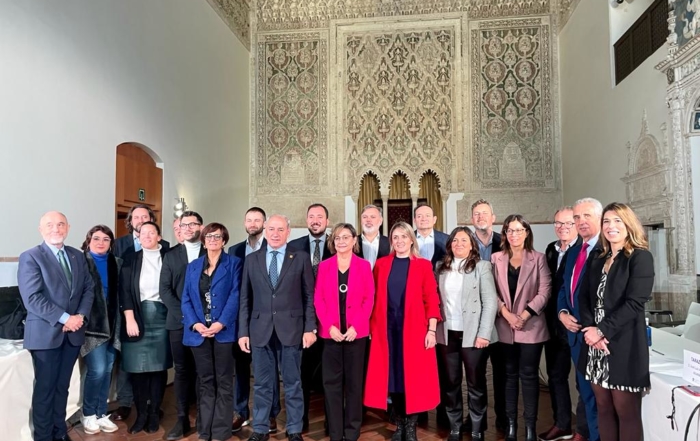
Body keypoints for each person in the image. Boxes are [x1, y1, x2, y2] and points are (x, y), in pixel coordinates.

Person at [238, 214, 317, 441]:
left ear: (288, 232)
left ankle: (294, 429)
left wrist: (310, 328)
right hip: (259, 331)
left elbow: (309, 296)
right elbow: (245, 299)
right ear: (265, 229)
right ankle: (260, 429)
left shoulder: (300, 258)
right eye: (271, 229)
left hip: (292, 330)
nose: (275, 233)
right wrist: (243, 331)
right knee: (262, 384)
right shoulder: (252, 260)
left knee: (293, 383)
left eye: (280, 229)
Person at [578, 203, 653, 441]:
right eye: (607, 221)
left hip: (623, 342)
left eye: (618, 221)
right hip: (595, 345)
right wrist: (591, 330)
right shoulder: (598, 257)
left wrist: (601, 331)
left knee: (626, 411)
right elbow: (584, 297)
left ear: (628, 224)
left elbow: (635, 302)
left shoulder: (640, 257)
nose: (611, 226)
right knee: (604, 407)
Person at [18, 211, 95, 441]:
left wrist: (80, 315)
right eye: (50, 225)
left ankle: (59, 433)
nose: (56, 229)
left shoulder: (77, 256)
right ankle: (43, 437)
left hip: (72, 334)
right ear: (41, 230)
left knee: (63, 387)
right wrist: (65, 318)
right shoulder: (31, 257)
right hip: (45, 334)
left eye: (61, 224)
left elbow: (88, 289)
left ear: (68, 228)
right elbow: (32, 298)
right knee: (45, 390)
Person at [364, 222, 441, 441]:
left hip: (415, 331)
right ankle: (399, 424)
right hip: (387, 331)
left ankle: (411, 426)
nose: (399, 241)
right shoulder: (381, 264)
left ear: (411, 239)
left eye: (403, 237)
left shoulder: (423, 265)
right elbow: (373, 298)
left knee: (413, 378)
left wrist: (432, 330)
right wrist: (370, 327)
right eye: (395, 237)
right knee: (394, 378)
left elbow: (432, 300)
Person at [491, 214, 551, 441]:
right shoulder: (495, 259)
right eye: (509, 230)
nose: (514, 234)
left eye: (518, 230)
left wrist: (525, 315)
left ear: (527, 232)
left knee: (528, 377)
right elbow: (491, 292)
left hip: (531, 326)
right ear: (505, 234)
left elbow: (545, 291)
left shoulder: (539, 258)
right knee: (508, 377)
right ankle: (510, 427)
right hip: (504, 327)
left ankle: (529, 428)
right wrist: (506, 314)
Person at [435, 227, 498, 441]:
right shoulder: (440, 268)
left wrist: (484, 334)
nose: (458, 244)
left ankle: (477, 428)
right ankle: (454, 427)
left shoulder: (482, 267)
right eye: (455, 240)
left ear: (472, 245)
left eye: (463, 240)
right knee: (451, 383)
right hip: (447, 333)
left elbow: (490, 303)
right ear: (450, 244)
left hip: (473, 334)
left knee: (475, 383)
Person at [182, 222, 243, 441]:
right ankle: (204, 429)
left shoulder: (234, 264)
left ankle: (221, 431)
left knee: (224, 380)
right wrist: (196, 324)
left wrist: (222, 322)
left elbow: (236, 295)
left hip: (223, 332)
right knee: (205, 380)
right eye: (209, 236)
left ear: (224, 240)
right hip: (198, 333)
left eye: (217, 237)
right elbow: (186, 298)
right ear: (203, 240)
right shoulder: (193, 266)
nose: (213, 240)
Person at [314, 223, 374, 441]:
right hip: (330, 335)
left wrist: (355, 327)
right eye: (337, 238)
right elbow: (318, 299)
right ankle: (335, 432)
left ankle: (352, 431)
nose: (341, 241)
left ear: (354, 240)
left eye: (346, 237)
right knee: (331, 384)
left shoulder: (364, 266)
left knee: (354, 384)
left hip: (355, 335)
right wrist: (329, 326)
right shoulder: (324, 266)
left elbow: (369, 300)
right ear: (333, 241)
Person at [112, 204, 169, 422]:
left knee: (158, 367)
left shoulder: (169, 255)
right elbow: (124, 291)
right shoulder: (129, 257)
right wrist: (129, 317)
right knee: (136, 368)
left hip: (162, 317)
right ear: (136, 233)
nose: (146, 235)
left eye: (151, 232)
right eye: (143, 232)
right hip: (136, 316)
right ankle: (140, 414)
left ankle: (154, 412)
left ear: (159, 236)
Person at [228, 207, 281, 433]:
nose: (252, 223)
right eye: (248, 219)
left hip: (268, 316)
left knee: (269, 367)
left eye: (257, 220)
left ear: (264, 222)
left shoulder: (274, 249)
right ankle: (241, 411)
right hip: (241, 315)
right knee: (240, 368)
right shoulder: (234, 249)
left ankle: (270, 413)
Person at [558, 198, 604, 441]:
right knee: (585, 392)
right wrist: (562, 313)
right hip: (575, 335)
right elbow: (566, 289)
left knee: (600, 398)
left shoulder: (607, 250)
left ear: (600, 217)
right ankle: (585, 433)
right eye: (577, 217)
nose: (581, 221)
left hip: (598, 336)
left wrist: (595, 328)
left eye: (586, 216)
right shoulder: (575, 251)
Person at [288, 203, 333, 431]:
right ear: (307, 220)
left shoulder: (338, 244)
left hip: (331, 319)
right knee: (302, 372)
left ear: (327, 220)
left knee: (330, 373)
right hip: (302, 320)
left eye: (320, 217)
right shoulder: (294, 246)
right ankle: (300, 419)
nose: (316, 220)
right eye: (312, 216)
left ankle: (330, 420)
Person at [160, 211, 205, 440]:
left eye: (192, 224)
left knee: (202, 371)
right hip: (178, 323)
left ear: (201, 226)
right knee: (182, 370)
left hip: (206, 324)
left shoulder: (211, 251)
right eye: (184, 224)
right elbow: (165, 290)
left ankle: (203, 419)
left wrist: (200, 318)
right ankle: (181, 419)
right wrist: (187, 315)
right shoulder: (171, 255)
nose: (188, 228)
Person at [540, 207, 581, 441]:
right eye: (558, 223)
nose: (562, 228)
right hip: (554, 326)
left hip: (576, 325)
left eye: (567, 224)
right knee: (556, 376)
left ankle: (585, 430)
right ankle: (562, 424)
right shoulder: (551, 250)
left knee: (583, 380)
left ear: (575, 225)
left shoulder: (584, 250)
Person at [79, 225, 121, 435]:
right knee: (96, 370)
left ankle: (100, 413)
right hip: (91, 326)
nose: (101, 242)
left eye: (106, 239)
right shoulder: (81, 262)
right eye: (96, 238)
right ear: (88, 241)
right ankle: (87, 414)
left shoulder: (116, 262)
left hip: (113, 324)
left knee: (107, 370)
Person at [470, 199, 506, 432]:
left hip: (502, 318)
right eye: (476, 214)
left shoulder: (505, 242)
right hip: (473, 319)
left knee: (502, 371)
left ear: (493, 217)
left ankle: (503, 418)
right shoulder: (463, 242)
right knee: (475, 375)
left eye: (485, 213)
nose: (481, 217)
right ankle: (477, 421)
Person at [355, 204, 390, 269]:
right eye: (365, 217)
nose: (368, 220)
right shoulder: (352, 243)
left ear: (380, 221)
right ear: (361, 221)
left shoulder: (390, 243)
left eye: (373, 217)